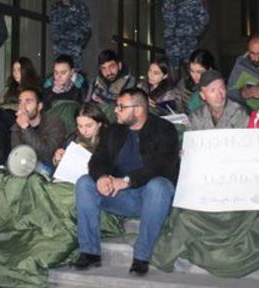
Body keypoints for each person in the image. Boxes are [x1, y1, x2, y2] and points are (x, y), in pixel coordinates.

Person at [72, 88, 179, 275]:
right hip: (119, 196)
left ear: (137, 109)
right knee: (84, 183)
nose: (115, 110)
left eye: (121, 107)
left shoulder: (164, 129)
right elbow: (98, 160)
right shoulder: (113, 130)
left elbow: (162, 166)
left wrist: (127, 181)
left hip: (151, 197)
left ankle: (142, 256)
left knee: (160, 186)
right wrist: (102, 177)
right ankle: (89, 252)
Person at [162, 0, 209, 78]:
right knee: (172, 76)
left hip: (188, 44)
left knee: (191, 74)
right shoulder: (168, 0)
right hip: (172, 45)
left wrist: (192, 34)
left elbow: (204, 19)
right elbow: (166, 22)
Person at [11, 87, 66, 167]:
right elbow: (18, 155)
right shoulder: (17, 127)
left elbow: (47, 155)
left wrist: (27, 129)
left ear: (39, 106)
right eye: (20, 102)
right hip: (27, 166)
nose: (22, 107)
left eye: (28, 102)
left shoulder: (54, 123)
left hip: (48, 166)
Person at [50, 0, 92, 70]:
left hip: (74, 49)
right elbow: (54, 27)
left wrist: (79, 44)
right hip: (60, 49)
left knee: (76, 75)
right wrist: (56, 43)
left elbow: (87, 28)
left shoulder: (80, 7)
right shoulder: (55, 8)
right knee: (60, 73)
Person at [175, 49, 215, 114]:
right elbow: (175, 98)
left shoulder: (218, 87)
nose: (194, 76)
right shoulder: (185, 83)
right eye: (192, 71)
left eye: (199, 72)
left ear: (210, 69)